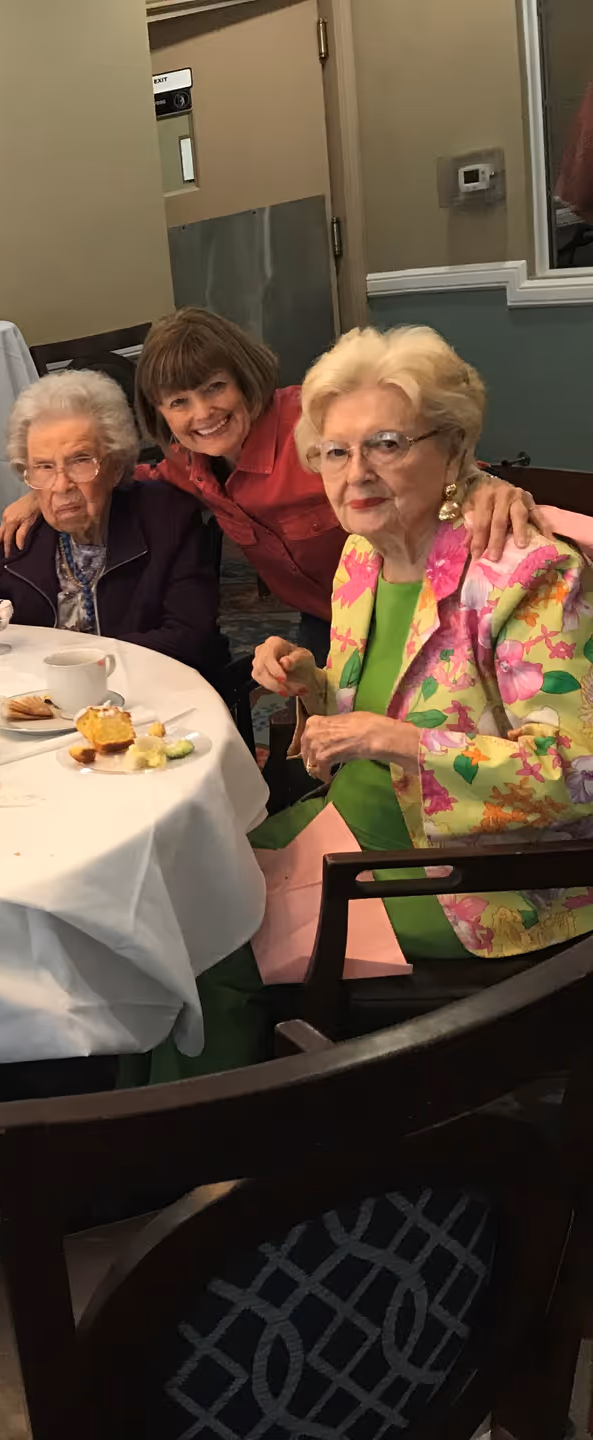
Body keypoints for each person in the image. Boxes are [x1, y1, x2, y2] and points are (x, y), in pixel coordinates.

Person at [155, 325, 593, 1082]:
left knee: (209, 949)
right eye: (334, 450)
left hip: (470, 877)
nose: (355, 473)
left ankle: (195, 1165)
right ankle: (127, 1136)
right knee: (166, 903)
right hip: (354, 823)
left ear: (452, 447)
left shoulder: (528, 575)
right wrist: (311, 682)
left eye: (387, 444)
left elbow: (574, 774)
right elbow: (390, 698)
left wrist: (394, 742)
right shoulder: (363, 555)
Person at [0, 308, 544, 660]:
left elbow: (416, 452)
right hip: (328, 615)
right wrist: (40, 493)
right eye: (178, 402)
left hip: (423, 597)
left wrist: (482, 484)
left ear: (244, 377)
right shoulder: (188, 468)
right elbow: (112, 471)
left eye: (215, 388)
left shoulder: (312, 425)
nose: (202, 414)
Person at [0, 368, 228, 678]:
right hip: (39, 711)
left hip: (144, 702)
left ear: (115, 465)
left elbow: (192, 640)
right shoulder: (23, 534)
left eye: (80, 460)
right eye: (43, 467)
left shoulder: (167, 518)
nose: (61, 485)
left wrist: (76, 665)